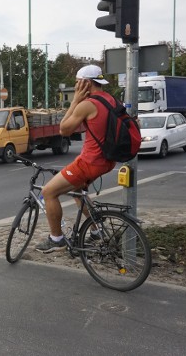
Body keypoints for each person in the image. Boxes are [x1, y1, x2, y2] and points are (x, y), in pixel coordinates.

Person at [35, 65, 117, 253]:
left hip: (90, 162)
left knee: (49, 192)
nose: (76, 85)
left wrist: (74, 102)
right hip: (106, 160)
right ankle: (97, 231)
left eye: (77, 82)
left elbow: (63, 130)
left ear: (86, 83)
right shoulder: (110, 100)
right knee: (77, 191)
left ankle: (56, 240)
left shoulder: (87, 104)